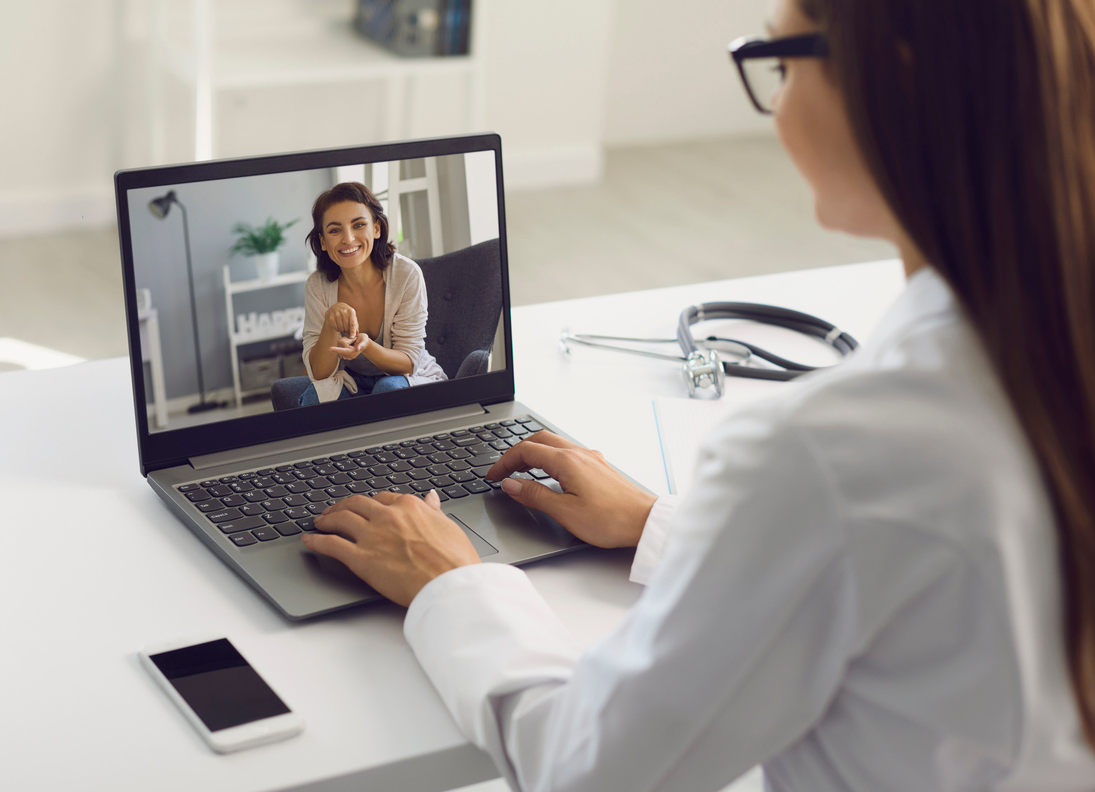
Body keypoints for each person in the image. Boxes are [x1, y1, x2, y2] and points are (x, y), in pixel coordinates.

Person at [300, 0, 1095, 788]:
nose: (776, 104)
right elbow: (878, 572)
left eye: (779, 65)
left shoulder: (831, 451)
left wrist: (449, 581)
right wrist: (661, 525)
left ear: (890, 81)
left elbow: (585, 769)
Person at [297, 182, 446, 405]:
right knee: (313, 397)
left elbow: (408, 362)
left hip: (407, 377)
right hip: (353, 382)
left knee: (388, 389)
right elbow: (319, 374)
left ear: (376, 228)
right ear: (323, 242)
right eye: (335, 230)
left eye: (358, 225)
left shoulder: (406, 275)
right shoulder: (317, 286)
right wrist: (329, 324)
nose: (348, 239)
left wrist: (367, 347)